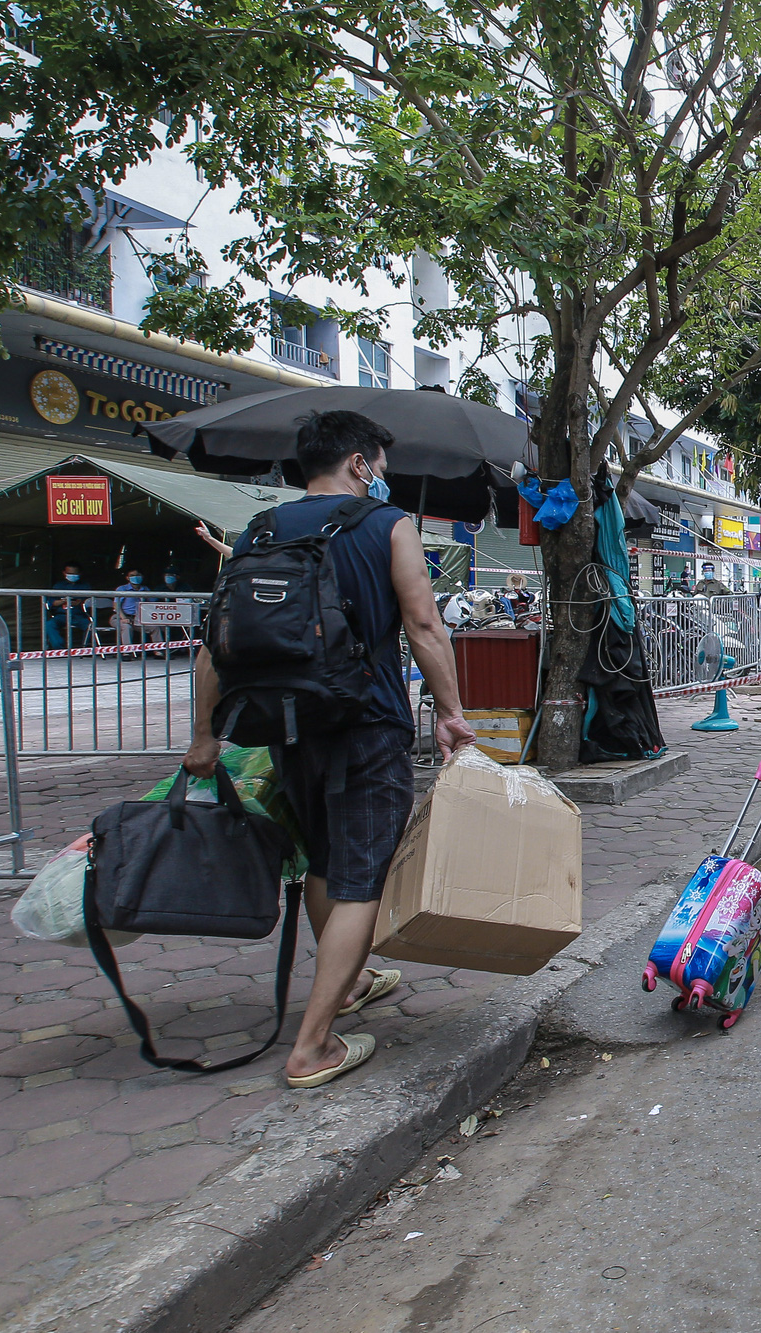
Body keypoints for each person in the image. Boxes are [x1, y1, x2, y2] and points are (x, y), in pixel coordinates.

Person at [183, 410, 477, 1089]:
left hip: (286, 726)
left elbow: (214, 644)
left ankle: (349, 984)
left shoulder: (260, 530)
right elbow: (425, 624)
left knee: (322, 857)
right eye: (380, 463)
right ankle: (312, 1045)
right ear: (358, 463)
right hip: (366, 722)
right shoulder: (387, 524)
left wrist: (206, 735)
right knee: (363, 877)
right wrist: (452, 713)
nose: (384, 476)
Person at [44, 564, 92, 649]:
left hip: (79, 616)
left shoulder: (85, 586)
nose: (72, 576)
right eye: (69, 573)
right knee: (49, 624)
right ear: (64, 573)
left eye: (75, 574)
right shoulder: (58, 586)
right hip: (62, 615)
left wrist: (79, 602)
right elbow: (52, 602)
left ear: (80, 573)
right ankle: (59, 649)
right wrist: (64, 601)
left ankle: (85, 649)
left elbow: (89, 601)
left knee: (90, 625)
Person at [111, 568, 148, 652]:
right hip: (120, 617)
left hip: (138, 619)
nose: (135, 577)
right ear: (127, 578)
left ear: (142, 577)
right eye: (132, 575)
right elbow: (116, 606)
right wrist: (123, 618)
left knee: (154, 628)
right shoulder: (122, 589)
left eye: (137, 575)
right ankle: (127, 652)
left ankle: (159, 651)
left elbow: (151, 604)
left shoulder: (146, 589)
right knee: (126, 627)